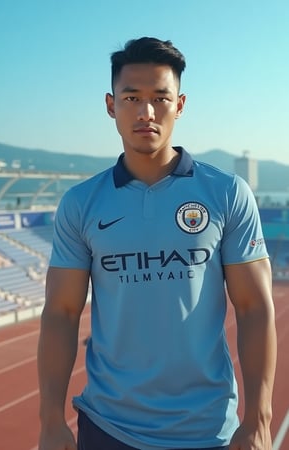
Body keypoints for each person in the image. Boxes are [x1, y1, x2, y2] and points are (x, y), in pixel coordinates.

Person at [37, 37, 277, 450]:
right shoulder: (81, 203)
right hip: (107, 428)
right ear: (111, 105)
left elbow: (255, 308)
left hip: (208, 431)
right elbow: (61, 313)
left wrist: (257, 419)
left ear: (179, 105)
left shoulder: (226, 193)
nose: (146, 112)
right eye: (131, 97)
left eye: (160, 98)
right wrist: (50, 421)